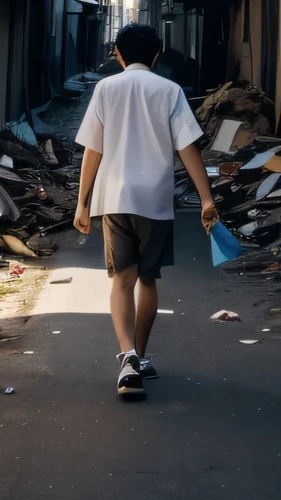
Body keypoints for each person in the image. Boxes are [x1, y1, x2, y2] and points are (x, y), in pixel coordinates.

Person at [74, 23, 218, 397]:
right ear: (157, 55)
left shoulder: (106, 88)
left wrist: (82, 201)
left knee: (121, 279)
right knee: (148, 279)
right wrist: (206, 198)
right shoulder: (169, 91)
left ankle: (127, 359)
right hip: (154, 199)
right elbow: (188, 147)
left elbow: (94, 148)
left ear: (118, 55)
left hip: (115, 197)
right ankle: (139, 355)